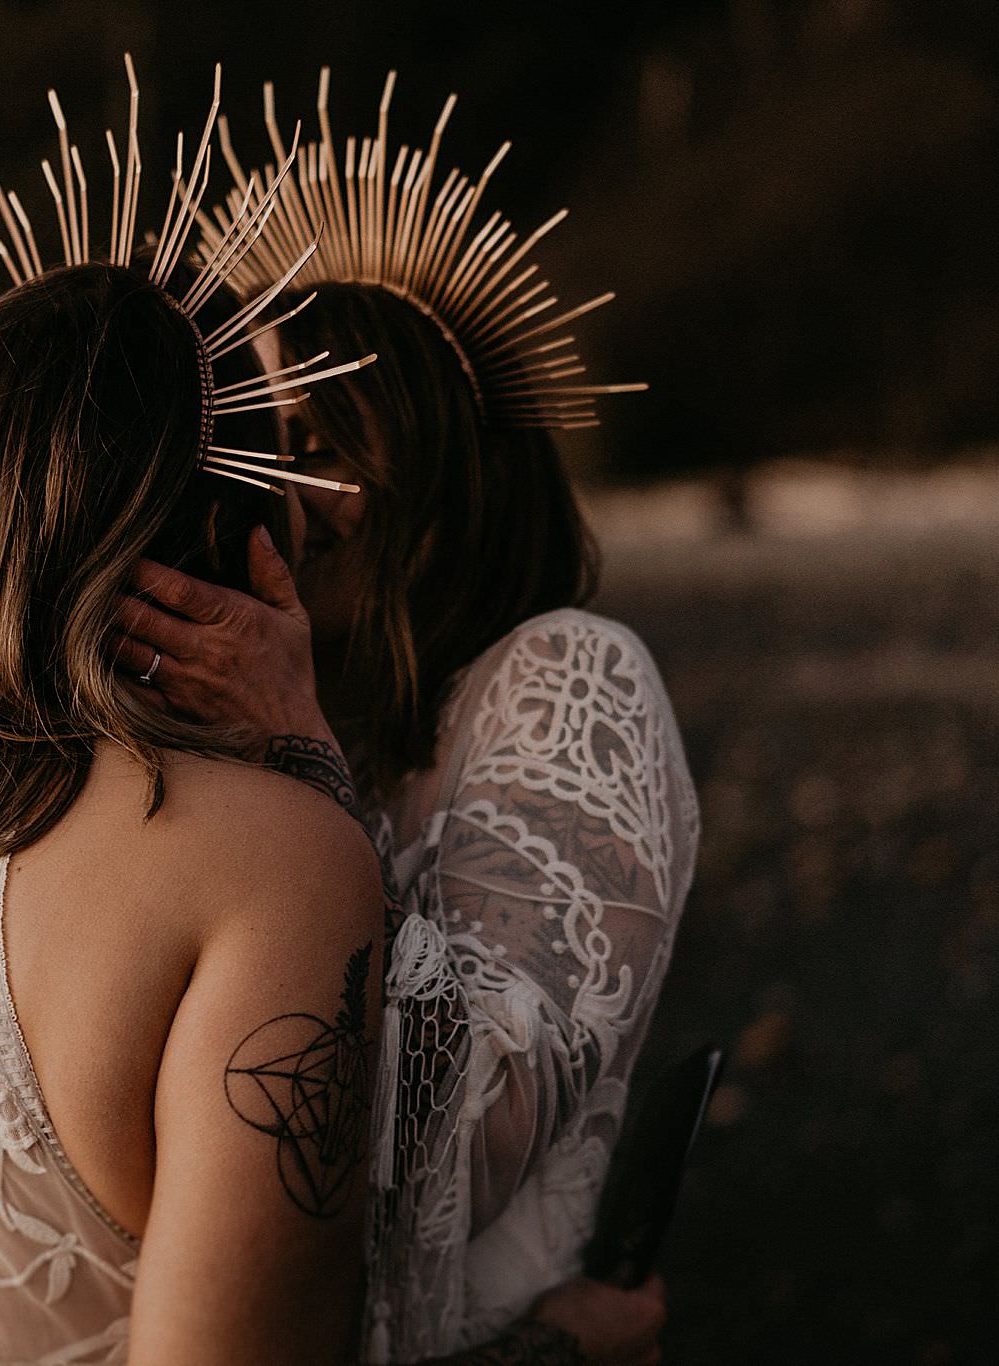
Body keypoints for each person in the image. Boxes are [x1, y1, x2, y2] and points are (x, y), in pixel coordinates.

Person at [113, 71, 698, 1365]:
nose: (287, 498)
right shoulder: (315, 713)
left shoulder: (567, 678)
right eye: (260, 443)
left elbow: (480, 1120)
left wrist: (298, 757)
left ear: (430, 467)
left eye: (318, 438)